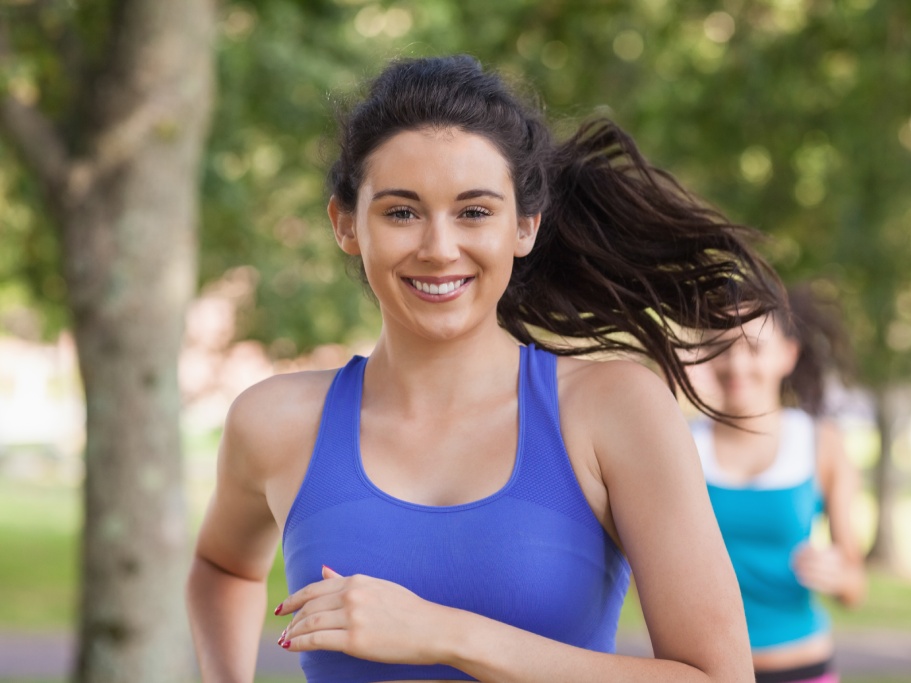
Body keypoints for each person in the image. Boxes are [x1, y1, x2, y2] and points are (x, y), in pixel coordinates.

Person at [186, 54, 785, 683]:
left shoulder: (612, 408)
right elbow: (222, 567)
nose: (439, 249)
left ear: (524, 226)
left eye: (474, 212)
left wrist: (445, 634)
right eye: (401, 212)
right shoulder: (275, 422)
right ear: (346, 225)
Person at [687, 285, 866, 683]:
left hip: (801, 665)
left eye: (752, 348)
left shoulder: (822, 443)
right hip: (708, 670)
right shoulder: (682, 446)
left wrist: (837, 573)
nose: (736, 364)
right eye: (722, 347)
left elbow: (855, 587)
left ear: (788, 354)